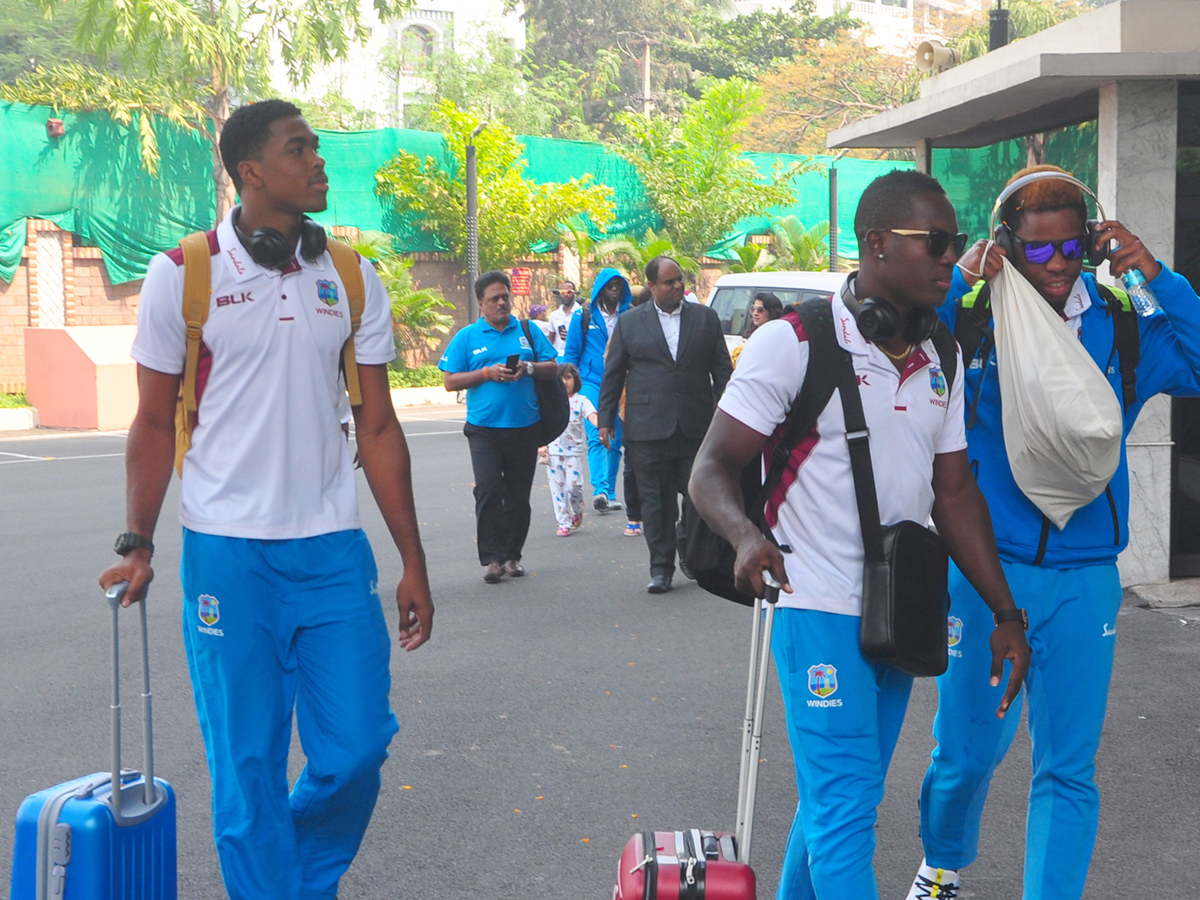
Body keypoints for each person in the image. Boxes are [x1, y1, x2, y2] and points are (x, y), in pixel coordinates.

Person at [97, 99, 435, 900]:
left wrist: (412, 561)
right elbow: (150, 421)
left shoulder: (350, 277)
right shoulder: (185, 275)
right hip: (227, 555)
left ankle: (292, 882)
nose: (319, 161)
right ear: (251, 171)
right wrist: (137, 542)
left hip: (329, 551)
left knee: (355, 748)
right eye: (299, 150)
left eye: (318, 147)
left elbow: (380, 426)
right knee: (246, 762)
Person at [689, 169, 1031, 900]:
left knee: (837, 805)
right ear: (876, 244)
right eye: (935, 243)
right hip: (814, 605)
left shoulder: (943, 354)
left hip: (900, 610)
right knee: (845, 811)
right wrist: (748, 538)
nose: (951, 259)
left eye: (956, 244)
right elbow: (710, 469)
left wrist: (1005, 612)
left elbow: (956, 492)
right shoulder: (794, 344)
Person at [907, 164, 1200, 900]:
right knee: (966, 756)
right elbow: (899, 348)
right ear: (1007, 245)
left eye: (1074, 248)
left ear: (1095, 245)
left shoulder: (1122, 324)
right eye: (1038, 251)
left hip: (1087, 574)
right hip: (988, 570)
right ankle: (942, 864)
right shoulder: (976, 321)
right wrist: (957, 282)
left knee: (1069, 767)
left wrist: (1158, 276)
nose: (1059, 265)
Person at [598, 256, 733, 593]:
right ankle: (661, 568)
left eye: (680, 280)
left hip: (697, 427)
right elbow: (613, 373)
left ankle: (697, 555)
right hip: (647, 428)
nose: (678, 286)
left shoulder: (705, 318)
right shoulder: (630, 324)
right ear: (653, 287)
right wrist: (605, 419)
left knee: (700, 495)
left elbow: (722, 373)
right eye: (670, 282)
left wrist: (729, 416)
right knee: (655, 502)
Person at [439, 270, 560, 583]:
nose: (502, 303)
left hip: (525, 427)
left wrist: (528, 367)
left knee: (519, 498)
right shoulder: (467, 337)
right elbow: (450, 381)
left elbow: (553, 367)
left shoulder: (527, 330)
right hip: (484, 430)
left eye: (505, 296)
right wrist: (486, 374)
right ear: (481, 304)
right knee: (490, 490)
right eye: (494, 299)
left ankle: (512, 556)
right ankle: (492, 559)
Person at [563, 267, 632, 514]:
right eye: (610, 285)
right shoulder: (583, 317)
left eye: (619, 285)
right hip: (591, 382)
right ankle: (600, 490)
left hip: (622, 385)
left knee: (617, 439)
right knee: (596, 434)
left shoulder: (630, 316)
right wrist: (567, 383)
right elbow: (571, 353)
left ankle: (611, 493)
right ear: (600, 288)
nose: (615, 288)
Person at [538, 362, 598, 536]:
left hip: (573, 452)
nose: (564, 382)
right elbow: (541, 423)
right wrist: (541, 444)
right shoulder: (551, 401)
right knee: (557, 489)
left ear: (575, 380)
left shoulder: (581, 400)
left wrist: (602, 427)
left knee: (573, 487)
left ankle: (577, 509)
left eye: (568, 378)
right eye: (561, 378)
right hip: (554, 451)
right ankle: (563, 522)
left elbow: (591, 415)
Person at [731, 290, 785, 367]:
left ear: (772, 312)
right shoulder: (750, 334)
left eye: (760, 310)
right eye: (753, 309)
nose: (755, 313)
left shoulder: (777, 337)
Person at [548, 280, 582, 355]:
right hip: (558, 356)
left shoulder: (582, 313)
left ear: (574, 293)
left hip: (576, 355)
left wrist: (571, 336)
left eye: (569, 292)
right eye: (563, 292)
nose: (566, 295)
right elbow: (551, 338)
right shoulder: (554, 315)